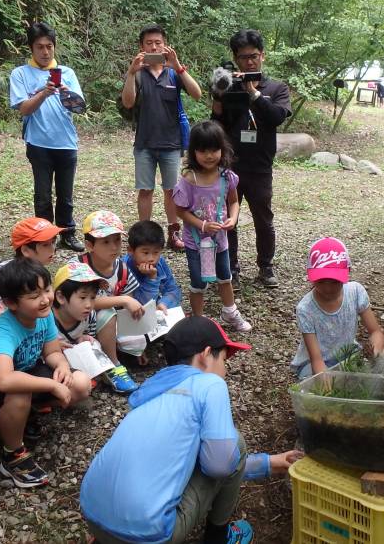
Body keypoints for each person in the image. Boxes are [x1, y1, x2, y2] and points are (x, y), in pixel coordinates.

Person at [80, 316, 303, 544]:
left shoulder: (152, 390)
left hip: (92, 516)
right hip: (145, 535)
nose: (225, 371)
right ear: (206, 355)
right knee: (234, 443)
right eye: (224, 360)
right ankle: (218, 537)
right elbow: (220, 466)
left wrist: (267, 464)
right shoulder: (210, 384)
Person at [0, 258, 92, 488]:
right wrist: (52, 385)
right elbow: (4, 380)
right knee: (20, 391)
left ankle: (24, 416)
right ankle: (13, 455)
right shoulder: (2, 331)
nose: (45, 300)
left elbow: (52, 351)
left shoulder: (43, 316)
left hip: (23, 370)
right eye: (34, 296)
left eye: (47, 290)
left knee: (80, 383)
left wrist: (62, 366)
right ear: (11, 303)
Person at [211, 29, 291, 289]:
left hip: (260, 166)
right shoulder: (229, 84)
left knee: (263, 218)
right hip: (231, 164)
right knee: (227, 219)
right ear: (236, 58)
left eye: (254, 56)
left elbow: (277, 116)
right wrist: (218, 96)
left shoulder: (276, 87)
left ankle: (266, 267)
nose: (249, 62)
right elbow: (217, 124)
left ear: (262, 56)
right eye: (243, 57)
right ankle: (230, 267)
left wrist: (254, 94)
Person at [120, 24, 203, 250]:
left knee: (171, 190)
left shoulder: (174, 73)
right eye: (149, 43)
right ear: (141, 47)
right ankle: (144, 234)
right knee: (145, 190)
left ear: (165, 45)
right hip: (145, 143)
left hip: (171, 143)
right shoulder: (138, 73)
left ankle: (173, 233)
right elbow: (128, 102)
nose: (154, 46)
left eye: (158, 42)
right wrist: (131, 72)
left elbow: (197, 94)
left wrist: (179, 67)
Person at [10, 21, 85, 252]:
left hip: (66, 142)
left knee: (66, 194)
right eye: (40, 47)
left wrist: (66, 94)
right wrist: (44, 92)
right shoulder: (20, 74)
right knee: (42, 195)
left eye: (49, 46)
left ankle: (67, 233)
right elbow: (23, 108)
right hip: (38, 142)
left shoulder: (68, 73)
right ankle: (43, 235)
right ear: (31, 48)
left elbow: (79, 108)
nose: (45, 52)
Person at [173, 121, 252, 332]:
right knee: (198, 282)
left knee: (225, 277)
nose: (209, 156)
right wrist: (202, 224)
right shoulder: (189, 180)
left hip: (220, 241)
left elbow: (233, 201)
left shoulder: (227, 177)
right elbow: (180, 211)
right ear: (193, 152)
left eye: (214, 150)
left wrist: (233, 219)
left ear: (222, 149)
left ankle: (230, 312)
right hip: (195, 243)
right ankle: (198, 321)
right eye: (203, 151)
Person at [0, 217, 62, 350]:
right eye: (45, 245)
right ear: (25, 250)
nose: (52, 249)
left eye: (54, 243)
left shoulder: (38, 271)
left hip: (18, 316)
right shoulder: (4, 270)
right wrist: (6, 317)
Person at [293, 237, 384, 379]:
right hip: (315, 363)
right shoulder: (305, 309)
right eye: (322, 281)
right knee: (317, 384)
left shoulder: (355, 292)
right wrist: (326, 380)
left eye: (335, 281)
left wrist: (376, 349)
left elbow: (375, 332)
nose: (328, 288)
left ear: (347, 271)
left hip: (348, 354)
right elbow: (316, 360)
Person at [75, 210, 143, 393]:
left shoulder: (122, 268)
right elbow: (83, 303)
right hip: (78, 325)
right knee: (106, 312)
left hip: (108, 325)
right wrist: (123, 299)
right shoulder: (79, 267)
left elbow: (129, 303)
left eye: (117, 240)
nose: (114, 247)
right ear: (90, 245)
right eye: (106, 242)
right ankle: (113, 365)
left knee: (138, 343)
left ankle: (106, 353)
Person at [123, 220, 183, 315]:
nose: (151, 258)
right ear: (130, 251)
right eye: (145, 253)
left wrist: (164, 303)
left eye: (156, 252)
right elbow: (142, 306)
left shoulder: (159, 262)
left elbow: (173, 290)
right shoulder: (124, 269)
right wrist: (152, 279)